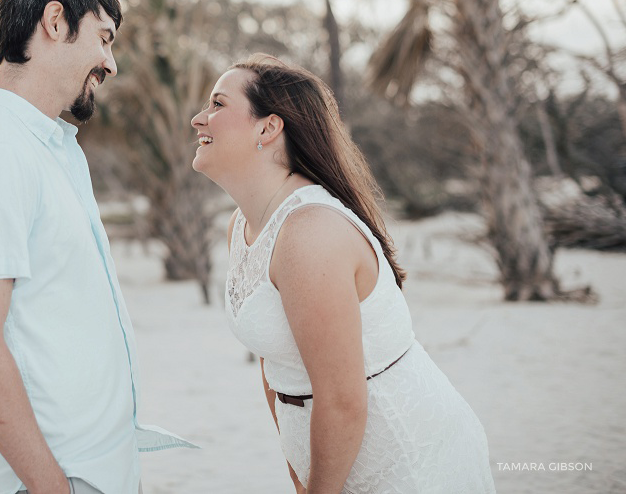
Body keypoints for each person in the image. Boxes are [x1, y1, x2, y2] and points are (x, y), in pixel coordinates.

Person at [0, 0, 192, 494]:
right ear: (55, 21)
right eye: (103, 38)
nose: (111, 63)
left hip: (94, 471)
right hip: (54, 479)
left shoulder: (49, 149)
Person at [190, 53, 495, 493]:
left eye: (218, 104)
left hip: (405, 460)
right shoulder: (242, 225)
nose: (200, 118)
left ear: (267, 128)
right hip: (330, 458)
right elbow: (274, 364)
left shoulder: (310, 233)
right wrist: (300, 469)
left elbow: (343, 400)